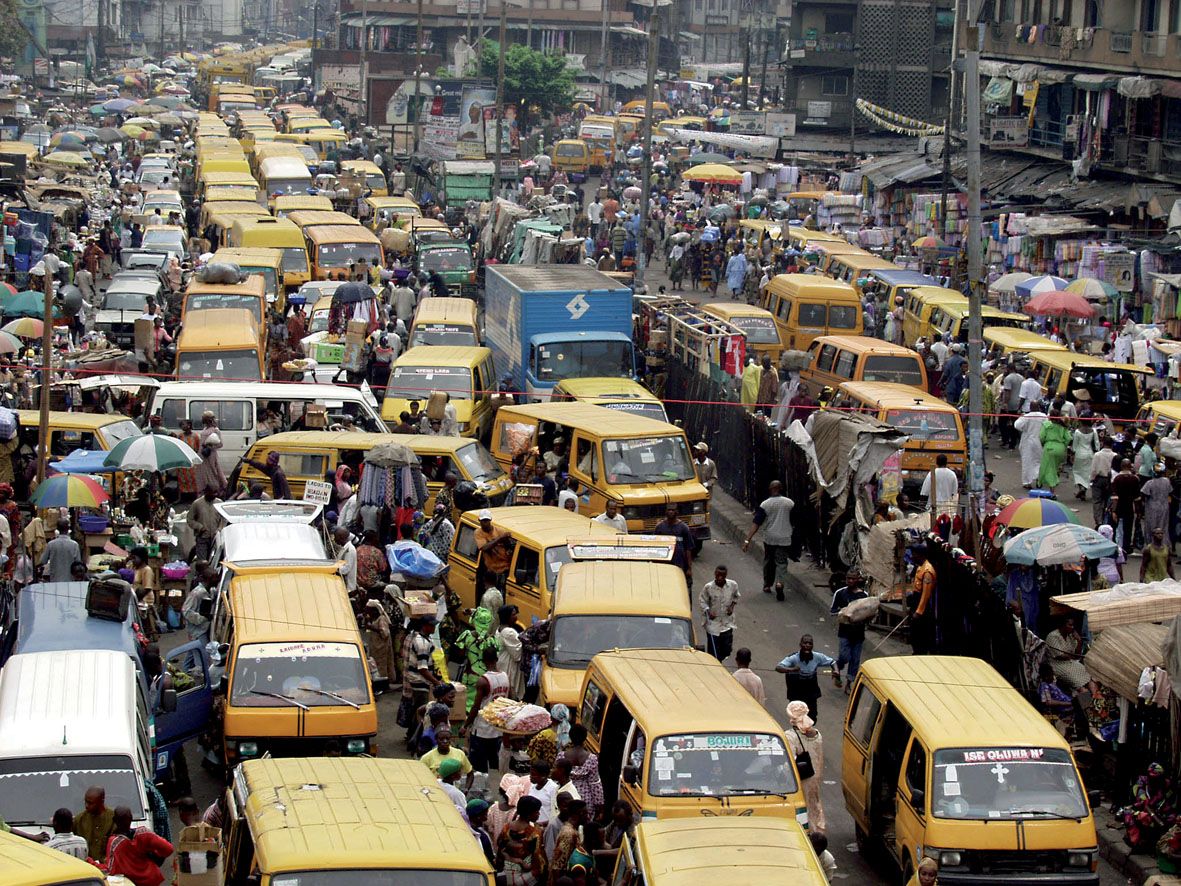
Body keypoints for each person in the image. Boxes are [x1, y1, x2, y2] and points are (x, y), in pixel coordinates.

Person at [741, 480, 794, 600]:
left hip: (770, 538)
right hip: (784, 537)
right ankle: (779, 583)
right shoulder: (789, 503)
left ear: (770, 489)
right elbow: (794, 520)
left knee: (769, 561)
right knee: (781, 562)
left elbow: (756, 523)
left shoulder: (765, 504)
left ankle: (767, 585)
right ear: (781, 489)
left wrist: (747, 540)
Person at [462, 646, 511, 773]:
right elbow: (510, 700)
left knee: (479, 768)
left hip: (482, 730)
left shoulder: (483, 681)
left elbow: (476, 707)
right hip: (498, 729)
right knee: (494, 765)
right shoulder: (505, 677)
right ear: (497, 659)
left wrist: (465, 725)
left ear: (483, 661)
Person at [102, 805, 173, 886]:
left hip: (130, 883)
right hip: (151, 880)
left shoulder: (114, 842)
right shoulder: (144, 833)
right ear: (131, 818)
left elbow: (110, 869)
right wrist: (155, 856)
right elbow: (168, 849)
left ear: (114, 820)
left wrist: (92, 863)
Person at [786, 700, 825, 833]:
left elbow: (790, 760)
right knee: (815, 804)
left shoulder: (790, 736)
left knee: (802, 806)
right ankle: (818, 831)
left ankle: (807, 832)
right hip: (815, 776)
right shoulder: (817, 735)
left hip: (801, 778)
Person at [775, 635, 836, 719]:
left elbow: (833, 662)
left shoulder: (817, 657)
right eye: (805, 643)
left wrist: (836, 670)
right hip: (796, 691)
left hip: (811, 691)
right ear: (800, 644)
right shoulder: (793, 658)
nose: (807, 645)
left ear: (812, 646)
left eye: (810, 643)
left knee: (812, 716)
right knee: (797, 717)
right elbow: (778, 667)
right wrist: (792, 669)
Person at [829, 567, 869, 691]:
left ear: (858, 580)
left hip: (858, 633)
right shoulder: (840, 593)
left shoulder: (864, 596)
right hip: (844, 632)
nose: (850, 581)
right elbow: (832, 611)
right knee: (844, 656)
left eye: (853, 579)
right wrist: (844, 612)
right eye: (848, 578)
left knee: (855, 660)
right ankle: (837, 667)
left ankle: (849, 684)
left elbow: (868, 613)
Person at [558, 725, 603, 821]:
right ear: (585, 738)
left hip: (565, 797)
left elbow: (557, 779)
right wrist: (599, 806)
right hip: (585, 800)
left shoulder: (562, 756)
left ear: (570, 737)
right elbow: (595, 784)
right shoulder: (592, 758)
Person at [497, 795, 544, 885]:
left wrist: (510, 858)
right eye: (537, 811)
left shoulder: (506, 828)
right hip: (526, 874)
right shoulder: (535, 832)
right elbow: (538, 858)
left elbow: (500, 847)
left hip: (508, 873)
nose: (539, 814)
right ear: (528, 814)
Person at [699, 565, 739, 662]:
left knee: (726, 650)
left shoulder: (733, 585)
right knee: (713, 653)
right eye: (718, 575)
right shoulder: (708, 587)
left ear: (726, 575)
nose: (720, 577)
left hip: (727, 623)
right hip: (713, 625)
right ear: (715, 574)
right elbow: (702, 601)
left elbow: (736, 596)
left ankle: (720, 659)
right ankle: (716, 664)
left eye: (722, 575)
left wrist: (732, 607)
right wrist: (708, 611)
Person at [1045, 616, 1091, 692]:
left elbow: (1077, 655)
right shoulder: (1053, 636)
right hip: (1057, 664)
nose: (1072, 627)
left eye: (1073, 625)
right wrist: (1073, 656)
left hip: (1070, 662)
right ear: (1063, 625)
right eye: (1070, 625)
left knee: (1087, 674)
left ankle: (1093, 694)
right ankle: (1083, 693)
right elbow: (1060, 656)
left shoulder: (1071, 636)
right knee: (1075, 679)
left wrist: (1079, 641)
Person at [653, 505, 697, 583]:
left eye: (673, 510)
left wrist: (689, 568)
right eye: (669, 510)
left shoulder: (683, 528)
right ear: (666, 511)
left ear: (677, 512)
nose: (671, 512)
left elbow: (688, 549)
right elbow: (654, 547)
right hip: (664, 564)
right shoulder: (659, 527)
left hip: (679, 563)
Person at [548, 799, 587, 884]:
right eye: (586, 814)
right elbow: (558, 866)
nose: (587, 817)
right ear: (580, 814)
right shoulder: (568, 834)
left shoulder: (571, 829)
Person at [75, 785, 115, 862]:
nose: (86, 806)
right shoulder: (79, 820)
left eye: (90, 803)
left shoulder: (113, 819)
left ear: (101, 801)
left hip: (106, 865)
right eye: (85, 802)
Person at [475, 509, 512, 591]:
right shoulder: (478, 533)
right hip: (491, 570)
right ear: (479, 521)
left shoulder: (500, 531)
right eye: (483, 521)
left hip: (504, 568)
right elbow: (484, 548)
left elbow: (508, 545)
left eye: (487, 520)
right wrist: (500, 538)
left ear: (490, 520)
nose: (485, 523)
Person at [909, 546, 937, 655]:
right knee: (914, 633)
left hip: (922, 606)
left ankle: (920, 653)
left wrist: (918, 612)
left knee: (920, 633)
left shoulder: (927, 571)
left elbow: (925, 594)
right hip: (916, 601)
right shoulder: (920, 567)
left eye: (914, 554)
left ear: (920, 555)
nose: (912, 556)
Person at [1111, 458, 1142, 554]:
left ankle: (1119, 546)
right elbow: (1137, 498)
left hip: (1119, 507)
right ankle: (1126, 546)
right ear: (1130, 466)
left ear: (1121, 466)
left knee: (1118, 528)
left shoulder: (1117, 479)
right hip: (1130, 507)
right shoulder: (1135, 479)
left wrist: (1114, 510)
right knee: (1128, 528)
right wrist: (1138, 511)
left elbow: (1115, 497)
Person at [1014, 407, 1048, 489]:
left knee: (1027, 461)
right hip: (1039, 441)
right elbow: (1047, 426)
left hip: (1027, 441)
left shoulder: (1026, 417)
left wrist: (1021, 418)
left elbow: (1017, 425)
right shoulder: (1043, 416)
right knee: (1038, 461)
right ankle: (1038, 478)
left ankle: (1027, 482)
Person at [39, 518, 81, 582]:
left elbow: (43, 561)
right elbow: (78, 563)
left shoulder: (51, 544)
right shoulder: (75, 545)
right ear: (68, 529)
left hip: (55, 580)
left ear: (57, 529)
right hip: (70, 581)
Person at [194, 411, 226, 494]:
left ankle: (215, 488)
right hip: (202, 454)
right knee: (202, 472)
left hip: (210, 455)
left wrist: (209, 447)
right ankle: (204, 489)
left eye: (204, 418)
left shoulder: (215, 430)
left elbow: (220, 444)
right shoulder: (205, 429)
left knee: (212, 471)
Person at [1037, 411, 1070, 489]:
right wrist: (1063, 446)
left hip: (1050, 447)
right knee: (1055, 467)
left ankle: (1050, 484)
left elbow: (1041, 436)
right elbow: (1068, 438)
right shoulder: (1063, 426)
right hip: (1060, 448)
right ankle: (1051, 481)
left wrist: (1043, 443)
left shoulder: (1046, 425)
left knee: (1047, 467)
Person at [333, 526, 358, 593]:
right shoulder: (345, 548)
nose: (334, 539)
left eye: (335, 537)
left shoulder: (349, 550)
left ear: (340, 537)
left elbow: (346, 569)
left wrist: (333, 568)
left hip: (347, 587)